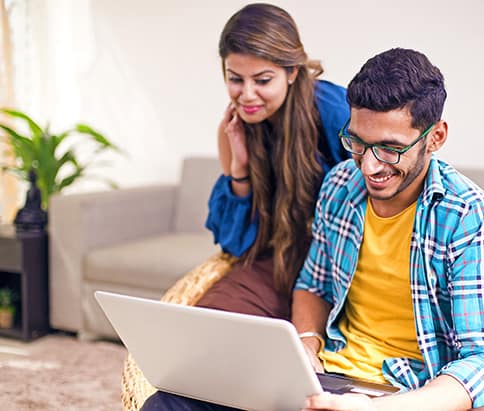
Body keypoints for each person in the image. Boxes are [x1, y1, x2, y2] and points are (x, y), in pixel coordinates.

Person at [141, 3, 349, 410]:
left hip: (337, 266)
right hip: (278, 260)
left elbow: (399, 174)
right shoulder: (238, 126)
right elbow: (236, 243)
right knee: (204, 350)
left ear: (293, 71)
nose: (247, 95)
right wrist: (238, 168)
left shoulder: (334, 110)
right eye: (235, 79)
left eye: (263, 80)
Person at [294, 48, 484, 411]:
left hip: (400, 391)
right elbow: (313, 285)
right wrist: (306, 342)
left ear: (436, 137)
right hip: (327, 375)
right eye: (358, 143)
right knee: (178, 399)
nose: (368, 166)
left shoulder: (469, 217)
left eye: (389, 148)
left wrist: (374, 408)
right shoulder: (339, 184)